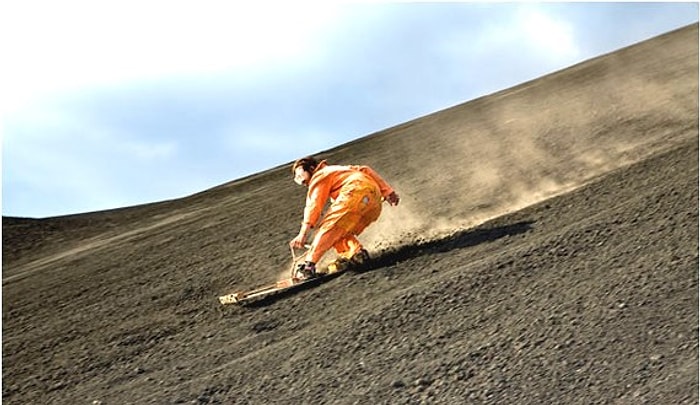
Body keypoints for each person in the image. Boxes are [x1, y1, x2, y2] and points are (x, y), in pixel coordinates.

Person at [289, 156, 400, 280]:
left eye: (305, 181)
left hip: (354, 192)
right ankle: (356, 254)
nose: (307, 185)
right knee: (340, 231)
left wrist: (303, 234)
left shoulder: (320, 176)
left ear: (312, 169)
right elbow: (365, 169)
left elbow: (313, 205)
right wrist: (388, 192)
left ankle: (309, 267)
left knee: (329, 228)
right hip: (374, 201)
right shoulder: (339, 170)